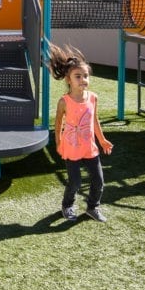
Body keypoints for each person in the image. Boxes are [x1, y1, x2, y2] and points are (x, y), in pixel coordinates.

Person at [48, 43, 113, 223]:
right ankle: (67, 205)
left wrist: (102, 140)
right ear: (68, 79)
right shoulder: (64, 101)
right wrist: (59, 143)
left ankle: (93, 207)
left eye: (85, 76)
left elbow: (94, 120)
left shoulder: (93, 97)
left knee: (98, 181)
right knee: (75, 182)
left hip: (89, 147)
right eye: (78, 76)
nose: (83, 79)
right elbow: (58, 123)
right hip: (71, 147)